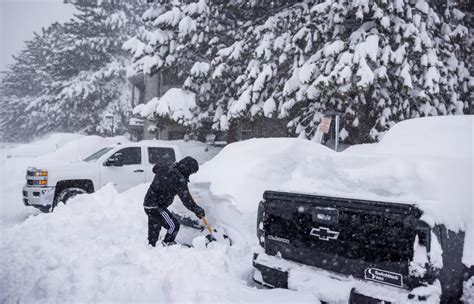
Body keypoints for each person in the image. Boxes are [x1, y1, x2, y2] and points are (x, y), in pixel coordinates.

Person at [143, 156, 205, 247]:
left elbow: (155, 169)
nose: (190, 174)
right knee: (174, 226)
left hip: (149, 202)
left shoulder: (168, 166)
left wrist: (164, 167)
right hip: (156, 206)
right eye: (191, 172)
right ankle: (167, 243)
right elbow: (186, 199)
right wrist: (197, 209)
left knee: (154, 227)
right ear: (188, 169)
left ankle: (151, 246)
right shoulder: (179, 179)